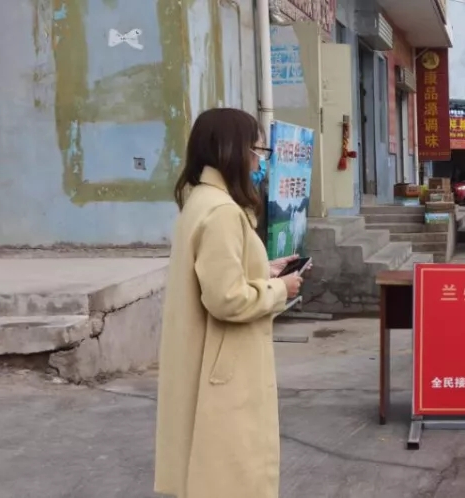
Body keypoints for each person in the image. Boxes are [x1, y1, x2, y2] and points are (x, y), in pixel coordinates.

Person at [154, 107, 304, 497]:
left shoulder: (201, 202)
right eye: (257, 150)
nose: (259, 162)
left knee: (209, 469)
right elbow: (226, 299)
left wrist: (264, 270)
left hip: (207, 358)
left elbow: (220, 272)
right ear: (233, 150)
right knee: (231, 475)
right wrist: (280, 290)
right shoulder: (221, 212)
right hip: (226, 367)